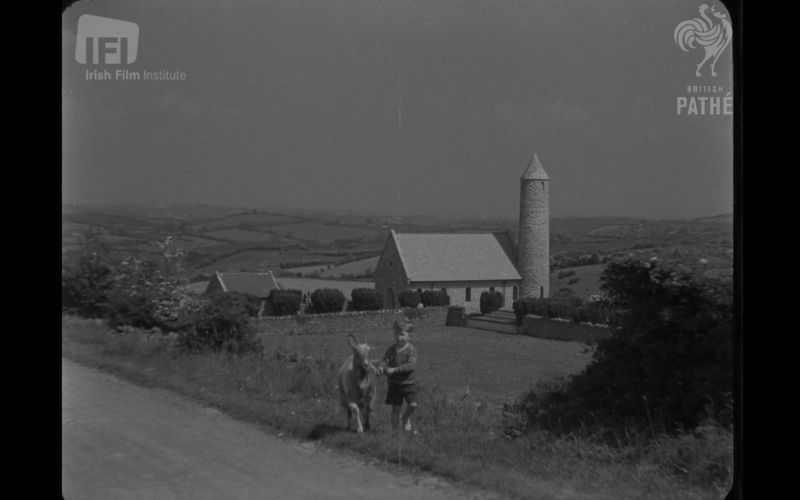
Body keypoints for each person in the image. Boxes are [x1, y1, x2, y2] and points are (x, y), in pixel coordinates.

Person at [378, 320, 418, 432]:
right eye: (396, 334)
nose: (398, 337)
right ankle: (394, 432)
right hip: (394, 384)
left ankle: (405, 417)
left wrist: (394, 370)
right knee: (396, 409)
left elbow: (411, 366)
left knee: (413, 404)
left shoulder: (411, 350)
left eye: (402, 335)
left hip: (409, 384)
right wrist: (381, 368)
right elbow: (384, 361)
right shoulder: (391, 349)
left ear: (409, 336)